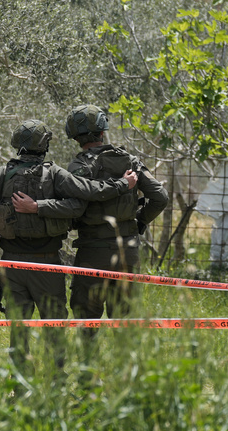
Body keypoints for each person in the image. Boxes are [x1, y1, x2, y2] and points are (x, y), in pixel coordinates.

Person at [0, 119, 137, 374]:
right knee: (55, 328)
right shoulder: (55, 174)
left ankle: (20, 387)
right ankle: (56, 385)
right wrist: (123, 185)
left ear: (16, 144)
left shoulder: (1, 174)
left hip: (12, 265)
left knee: (18, 331)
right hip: (47, 265)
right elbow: (86, 194)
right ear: (45, 145)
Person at [64, 105, 168, 340]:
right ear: (102, 131)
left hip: (91, 253)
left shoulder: (78, 167)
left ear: (75, 135)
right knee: (126, 322)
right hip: (127, 252)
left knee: (86, 322)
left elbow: (71, 207)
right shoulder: (130, 161)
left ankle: (89, 375)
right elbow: (160, 197)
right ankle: (124, 375)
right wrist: (139, 222)